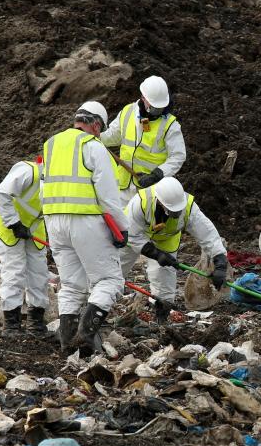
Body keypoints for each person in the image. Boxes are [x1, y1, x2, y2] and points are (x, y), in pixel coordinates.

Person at [41, 101, 129, 353]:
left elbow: (43, 185)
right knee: (110, 279)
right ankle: (87, 333)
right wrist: (121, 229)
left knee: (71, 283)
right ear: (96, 125)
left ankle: (67, 341)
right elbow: (109, 195)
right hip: (86, 221)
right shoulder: (93, 146)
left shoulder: (51, 144)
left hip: (54, 222)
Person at [119, 177, 228, 307]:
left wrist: (220, 263)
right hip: (134, 235)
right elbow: (130, 234)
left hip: (166, 239)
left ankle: (161, 310)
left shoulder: (189, 208)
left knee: (164, 279)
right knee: (116, 268)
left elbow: (208, 235)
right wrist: (155, 253)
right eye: (172, 210)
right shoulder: (140, 203)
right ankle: (102, 302)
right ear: (160, 202)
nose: (176, 213)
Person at [0, 156, 49, 335]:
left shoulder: (62, 181)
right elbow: (1, 193)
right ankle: (11, 325)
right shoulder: (29, 171)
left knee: (39, 271)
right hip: (6, 222)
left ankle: (36, 323)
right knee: (15, 269)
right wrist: (14, 223)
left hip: (33, 226)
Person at [101, 76, 186, 206]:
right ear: (143, 97)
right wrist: (93, 135)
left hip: (151, 190)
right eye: (154, 107)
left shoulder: (170, 125)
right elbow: (113, 136)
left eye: (160, 107)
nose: (157, 111)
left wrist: (157, 174)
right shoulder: (128, 112)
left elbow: (178, 156)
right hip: (124, 186)